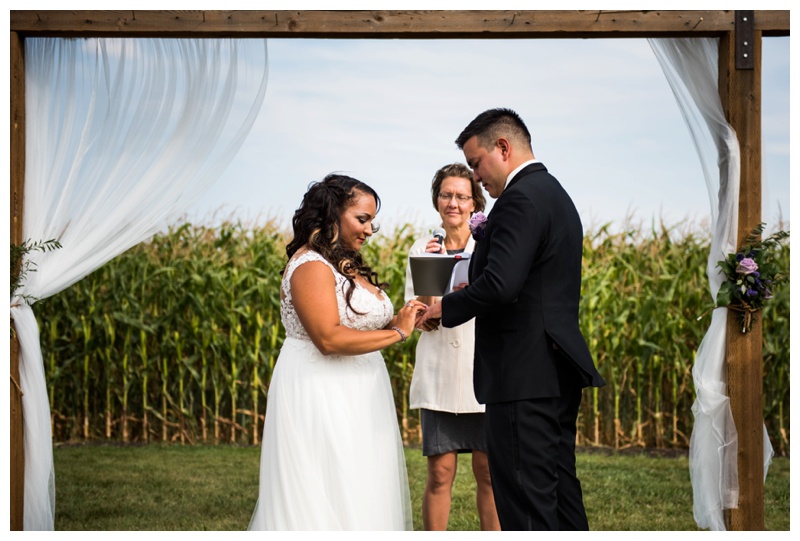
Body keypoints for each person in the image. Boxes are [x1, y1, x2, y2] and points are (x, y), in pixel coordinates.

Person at [418, 108, 606, 530]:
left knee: (524, 502)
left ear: (503, 147)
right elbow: (522, 282)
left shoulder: (520, 198)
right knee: (557, 493)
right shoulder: (552, 192)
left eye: (476, 163)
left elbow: (502, 285)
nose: (477, 175)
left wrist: (444, 307)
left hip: (522, 374)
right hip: (551, 369)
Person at [248, 173, 426, 531]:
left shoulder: (344, 262)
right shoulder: (310, 265)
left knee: (362, 482)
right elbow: (328, 338)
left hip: (360, 391)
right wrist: (397, 333)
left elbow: (355, 324)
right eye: (362, 219)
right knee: (328, 485)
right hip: (321, 388)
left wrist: (403, 317)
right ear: (331, 214)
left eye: (372, 221)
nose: (369, 229)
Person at [404, 163, 500, 531]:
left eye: (462, 196)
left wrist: (471, 296)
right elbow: (420, 316)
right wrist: (432, 271)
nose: (453, 203)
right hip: (439, 372)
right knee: (440, 473)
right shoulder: (421, 247)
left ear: (475, 202)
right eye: (446, 194)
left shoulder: (491, 245)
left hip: (483, 374)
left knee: (488, 473)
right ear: (436, 199)